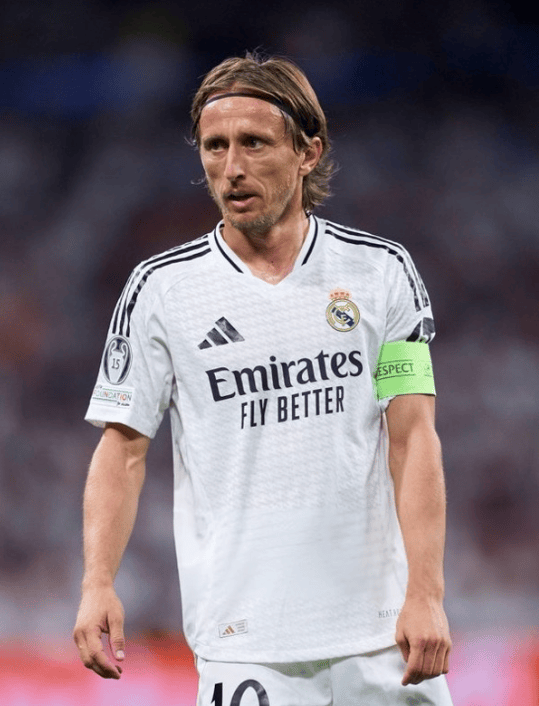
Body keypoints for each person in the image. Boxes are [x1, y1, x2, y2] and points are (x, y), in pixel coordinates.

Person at [73, 51, 453, 705]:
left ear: (308, 152)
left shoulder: (380, 273)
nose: (231, 167)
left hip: (383, 636)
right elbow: (122, 448)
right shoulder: (161, 290)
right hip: (244, 643)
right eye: (214, 146)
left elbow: (413, 438)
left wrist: (426, 592)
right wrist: (97, 582)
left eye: (253, 142)